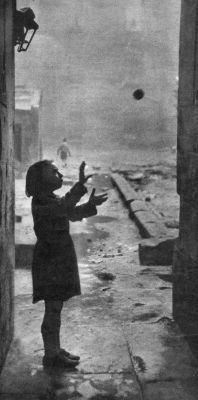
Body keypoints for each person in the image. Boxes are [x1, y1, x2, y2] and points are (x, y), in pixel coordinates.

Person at [25, 160, 108, 369]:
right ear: (41, 181)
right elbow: (64, 208)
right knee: (52, 309)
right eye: (54, 173)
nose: (60, 175)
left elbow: (70, 213)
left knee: (56, 308)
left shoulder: (49, 199)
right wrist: (79, 186)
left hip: (57, 258)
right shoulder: (42, 203)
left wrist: (90, 206)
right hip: (50, 260)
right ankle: (51, 356)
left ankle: (55, 350)